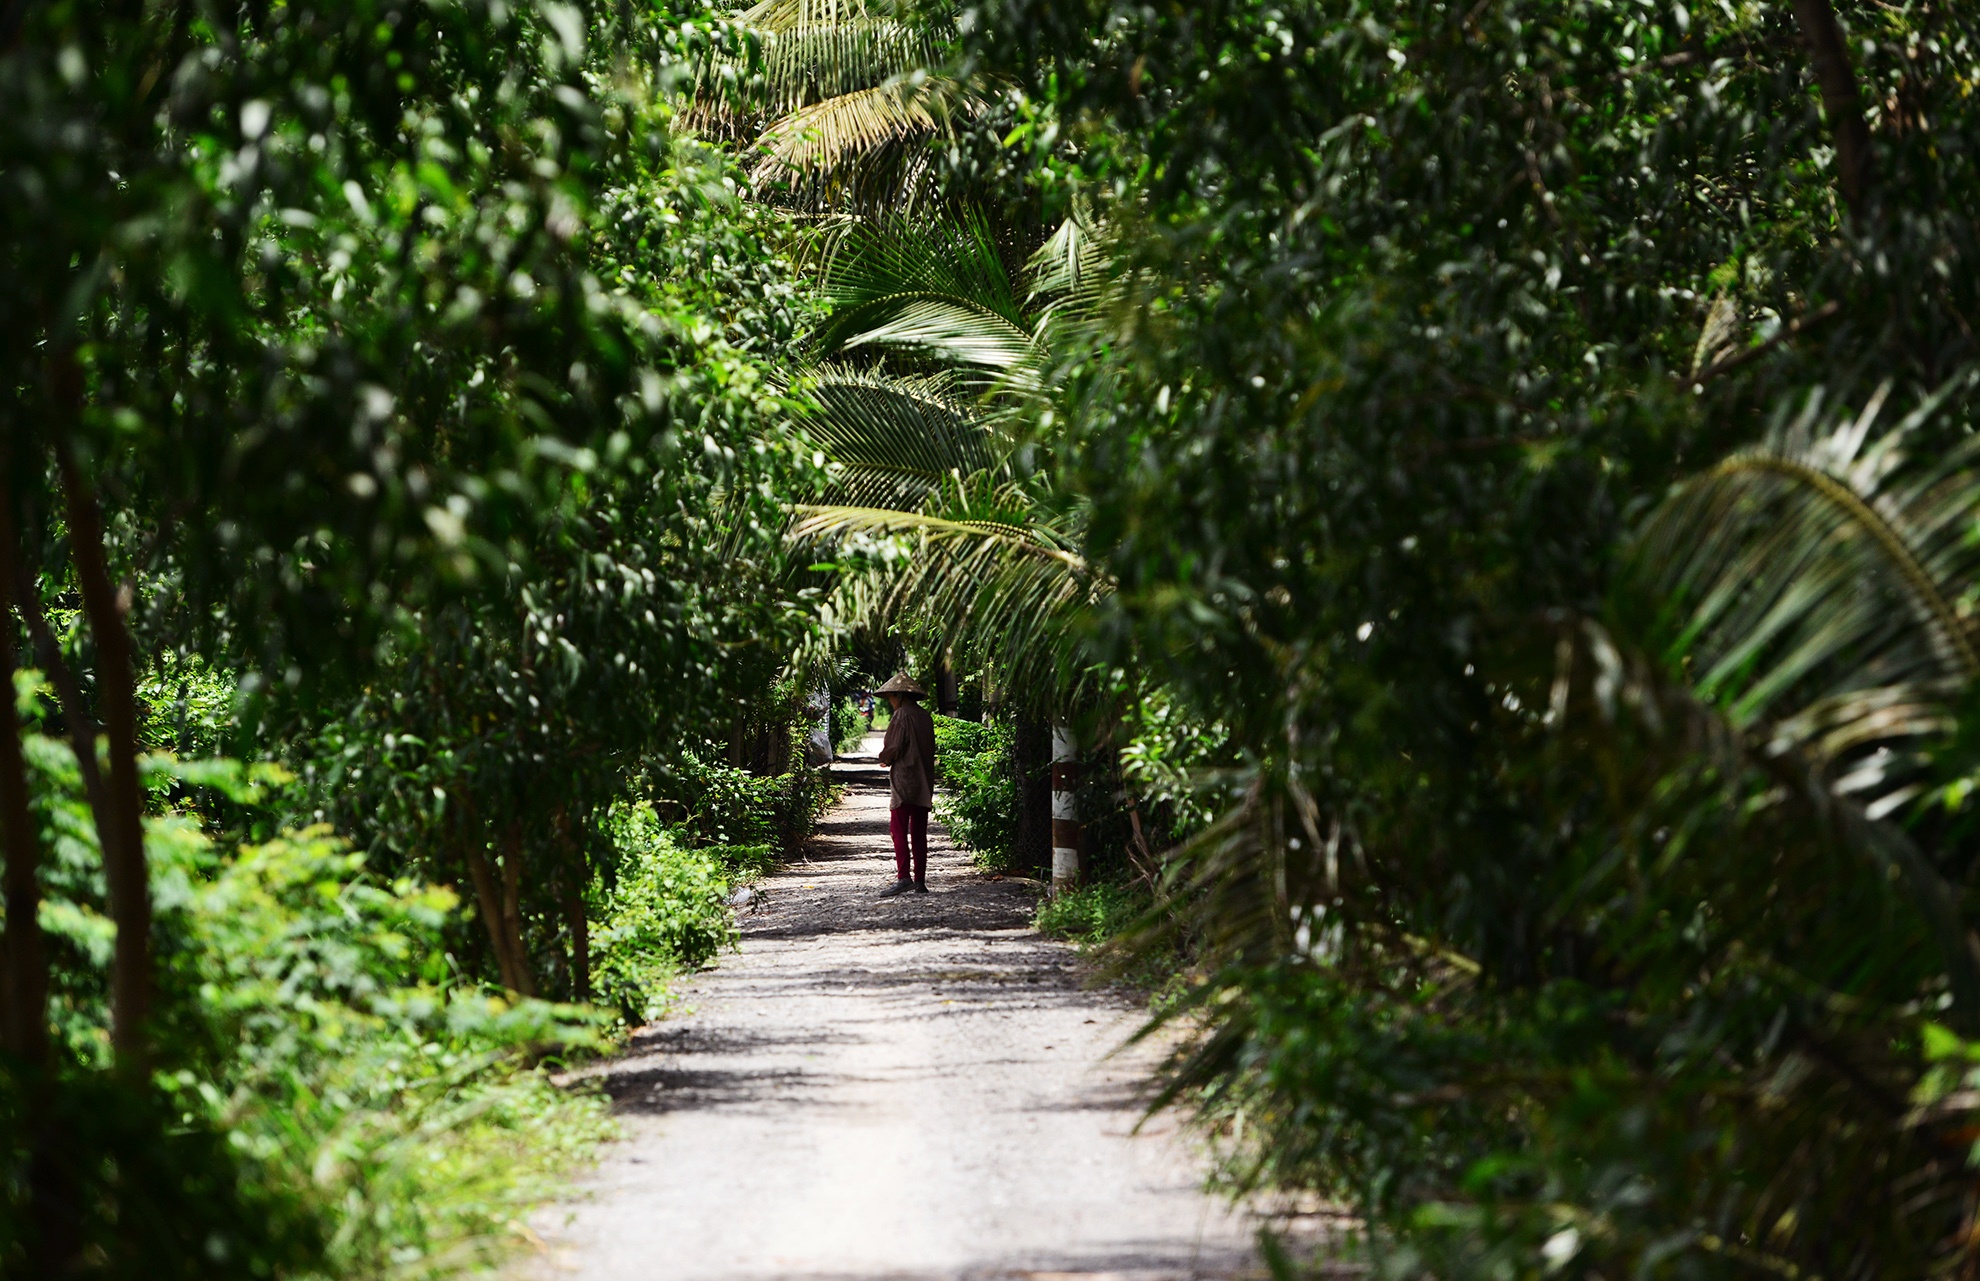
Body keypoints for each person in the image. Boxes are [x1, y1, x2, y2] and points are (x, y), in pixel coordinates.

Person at [873, 672, 936, 896]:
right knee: (919, 832)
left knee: (897, 830)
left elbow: (893, 747)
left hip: (905, 781)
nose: (890, 702)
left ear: (899, 696)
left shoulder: (901, 715)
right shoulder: (925, 716)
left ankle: (903, 877)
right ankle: (920, 880)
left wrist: (885, 758)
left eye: (891, 697)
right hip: (923, 781)